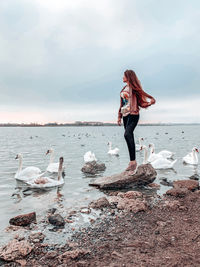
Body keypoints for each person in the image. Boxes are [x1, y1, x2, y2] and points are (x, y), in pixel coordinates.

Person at [117, 69, 156, 174]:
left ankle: (133, 162)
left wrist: (150, 102)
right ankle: (132, 163)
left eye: (124, 75)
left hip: (133, 115)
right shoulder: (123, 89)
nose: (122, 77)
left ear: (128, 77)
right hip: (125, 115)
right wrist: (119, 116)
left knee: (127, 134)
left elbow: (141, 103)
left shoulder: (134, 89)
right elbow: (122, 104)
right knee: (129, 137)